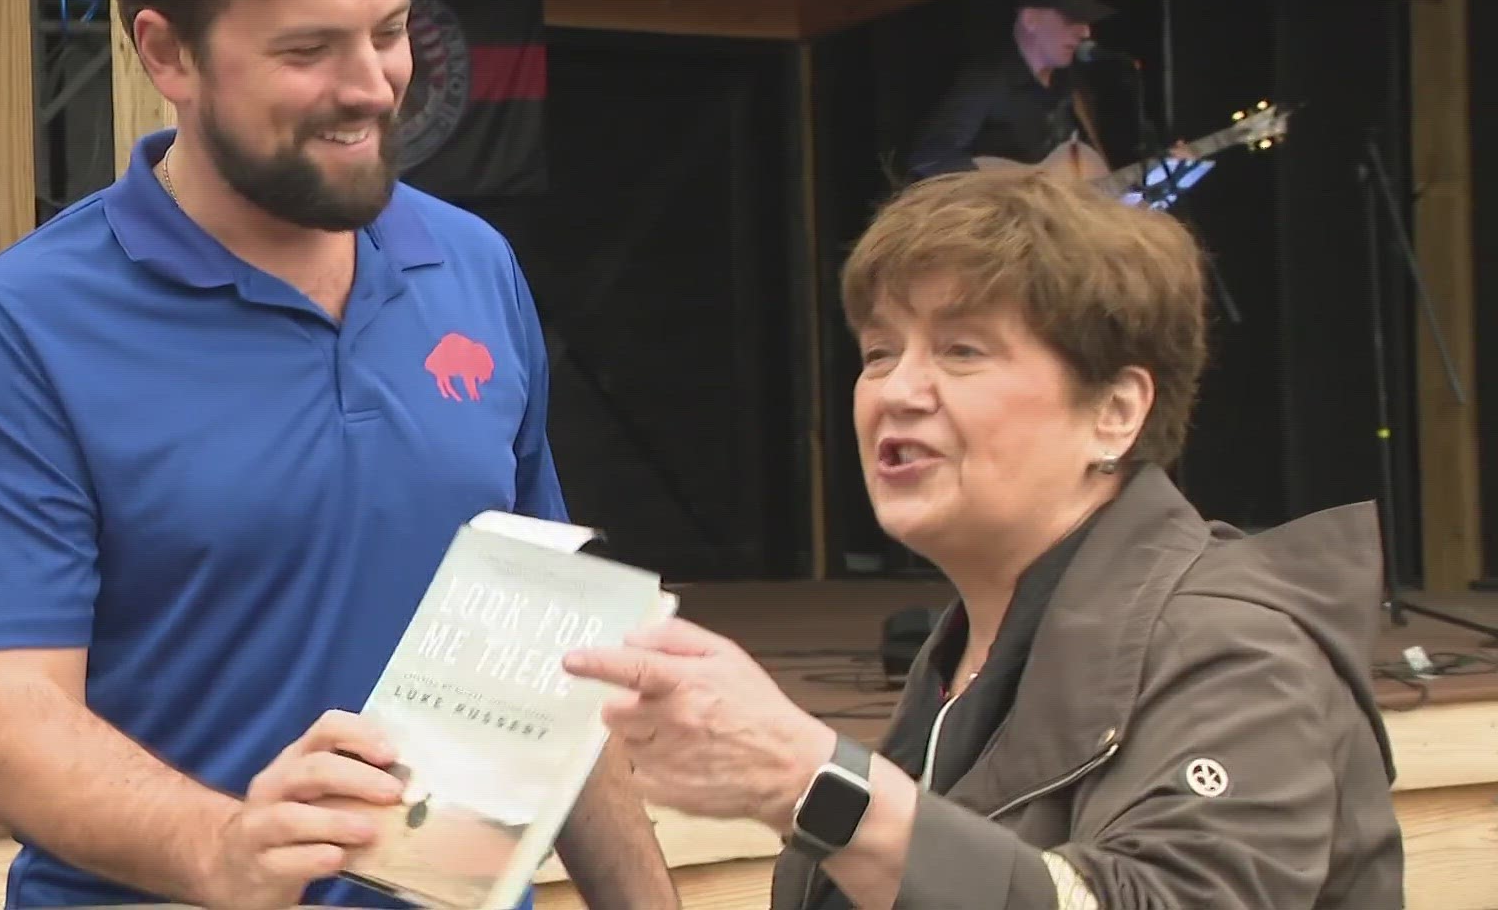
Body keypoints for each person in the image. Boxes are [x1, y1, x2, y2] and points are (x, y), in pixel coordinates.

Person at [0, 0, 677, 908]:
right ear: (169, 55)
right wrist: (221, 845)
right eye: (310, 49)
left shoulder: (470, 269)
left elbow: (542, 657)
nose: (373, 87)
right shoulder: (27, 329)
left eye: (393, 31)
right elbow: (4, 721)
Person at [563, 167, 1404, 909]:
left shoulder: (1235, 648)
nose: (898, 390)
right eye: (880, 351)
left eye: (962, 351)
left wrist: (808, 780)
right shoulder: (967, 652)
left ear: (1115, 412)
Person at [902, 0, 1114, 183]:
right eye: (1071, 19)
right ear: (1030, 20)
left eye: (1087, 22)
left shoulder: (1072, 88)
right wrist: (1009, 195)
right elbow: (930, 154)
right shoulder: (988, 80)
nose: (1085, 32)